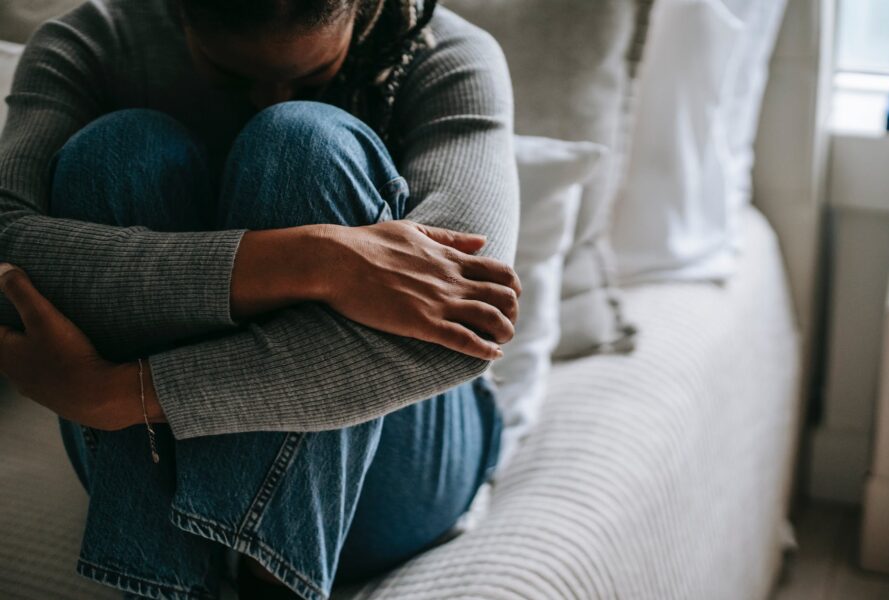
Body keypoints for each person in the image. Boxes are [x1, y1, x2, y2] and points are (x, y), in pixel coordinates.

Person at [0, 0, 519, 597]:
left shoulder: (446, 55)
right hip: (153, 455)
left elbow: (470, 332)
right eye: (231, 76)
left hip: (389, 463)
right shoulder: (93, 40)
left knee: (304, 141)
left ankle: (272, 582)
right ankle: (167, 580)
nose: (267, 97)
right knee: (117, 153)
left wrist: (119, 395)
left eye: (313, 76)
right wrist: (318, 260)